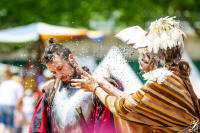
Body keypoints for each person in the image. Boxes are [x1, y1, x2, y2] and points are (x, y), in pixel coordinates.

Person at [71, 17, 200, 132]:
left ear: (152, 56)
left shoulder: (161, 81)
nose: (140, 62)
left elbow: (123, 108)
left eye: (143, 55)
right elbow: (132, 100)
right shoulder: (172, 75)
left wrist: (95, 88)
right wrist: (103, 83)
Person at [29, 38, 115, 133]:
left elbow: (106, 126)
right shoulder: (50, 91)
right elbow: (38, 128)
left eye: (60, 68)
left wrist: (99, 88)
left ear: (71, 58)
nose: (59, 75)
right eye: (53, 72)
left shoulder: (97, 86)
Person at [0, 65, 24, 133]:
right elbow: (20, 99)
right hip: (10, 105)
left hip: (1, 105)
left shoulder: (4, 83)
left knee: (2, 124)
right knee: (11, 125)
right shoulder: (18, 85)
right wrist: (18, 108)